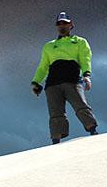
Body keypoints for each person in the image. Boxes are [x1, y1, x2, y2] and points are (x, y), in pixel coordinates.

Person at [31, 11, 99, 144]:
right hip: (53, 83)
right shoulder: (49, 46)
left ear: (71, 25)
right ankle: (56, 139)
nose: (62, 26)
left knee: (81, 106)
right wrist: (36, 82)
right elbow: (43, 66)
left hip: (72, 80)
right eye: (59, 23)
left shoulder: (79, 42)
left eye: (65, 23)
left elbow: (85, 59)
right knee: (56, 112)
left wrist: (87, 75)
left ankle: (93, 130)